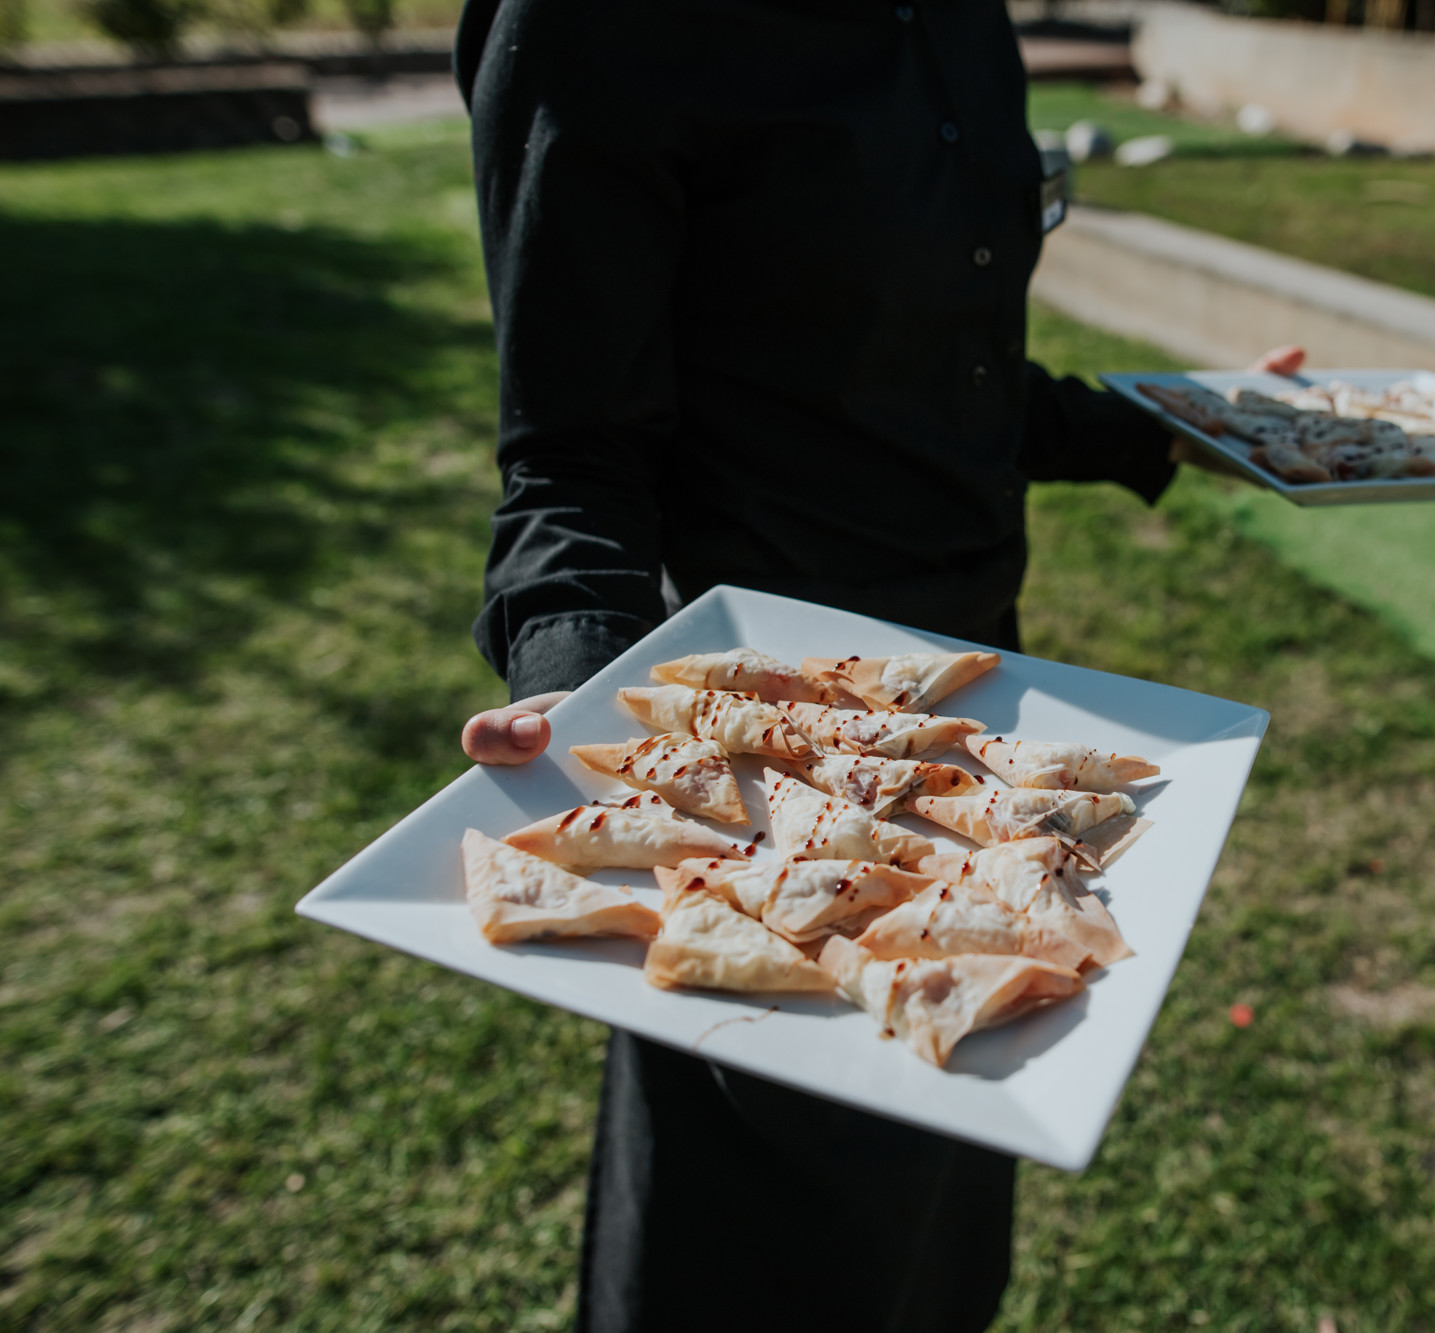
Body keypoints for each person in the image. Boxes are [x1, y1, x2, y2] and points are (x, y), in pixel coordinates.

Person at [450, 2, 1302, 1327]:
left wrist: (1165, 423)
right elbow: (573, 455)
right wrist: (580, 681)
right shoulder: (593, 22)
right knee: (763, 1250)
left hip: (972, 730)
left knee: (934, 1230)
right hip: (750, 781)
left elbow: (914, 368)